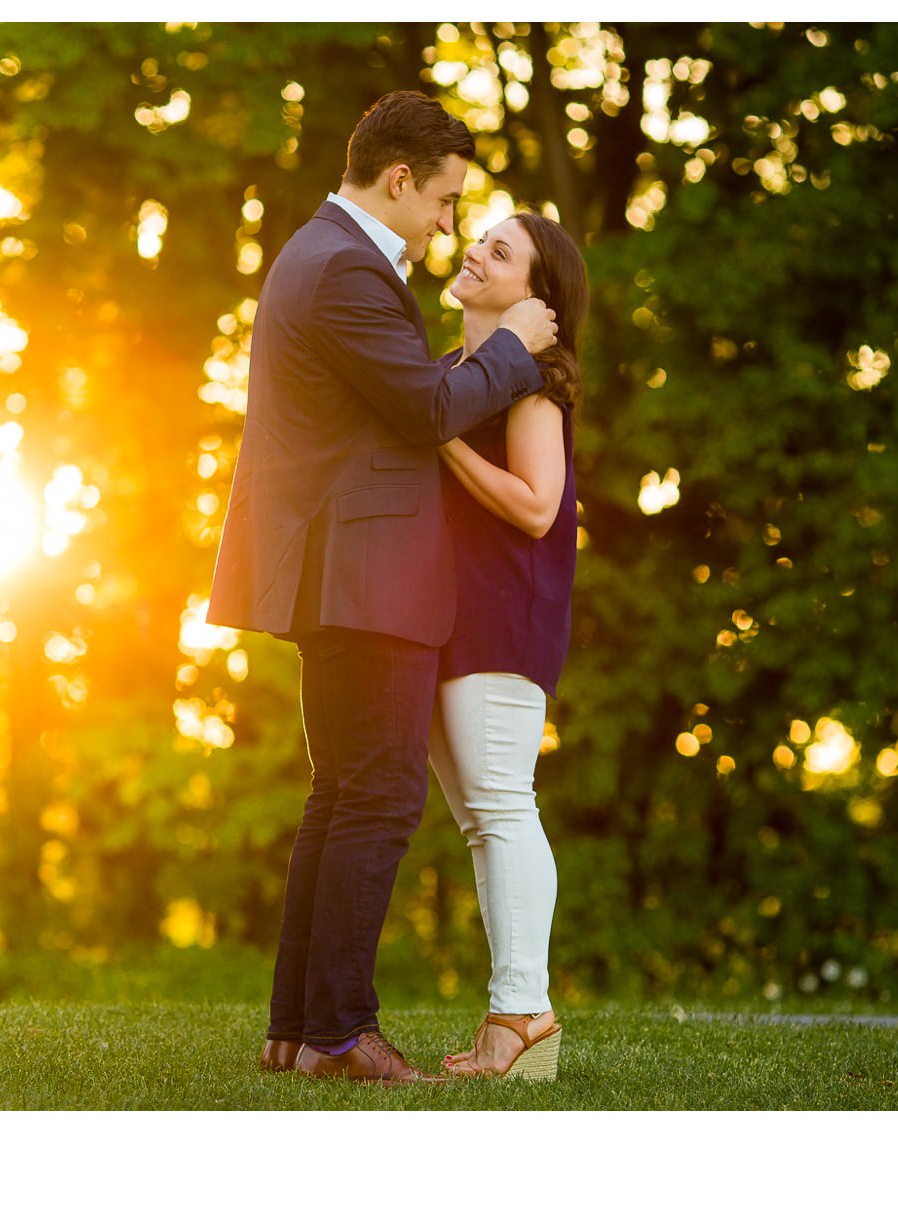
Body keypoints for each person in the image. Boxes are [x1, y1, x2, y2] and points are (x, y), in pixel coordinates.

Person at [206, 91, 557, 1085]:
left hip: (342, 568)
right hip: (367, 572)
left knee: (341, 796)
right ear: (398, 180)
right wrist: (512, 344)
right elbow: (424, 408)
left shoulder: (320, 255)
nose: (449, 224)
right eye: (444, 201)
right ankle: (337, 1033)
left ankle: (295, 1025)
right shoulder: (344, 269)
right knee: (381, 797)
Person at [427, 211, 587, 1081]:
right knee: (479, 820)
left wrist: (440, 433)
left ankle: (523, 1012)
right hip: (451, 619)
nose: (474, 252)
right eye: (477, 238)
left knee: (502, 806)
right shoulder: (459, 373)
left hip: (504, 616)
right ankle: (509, 1020)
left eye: (500, 251)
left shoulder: (526, 385)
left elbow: (536, 504)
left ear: (536, 295)